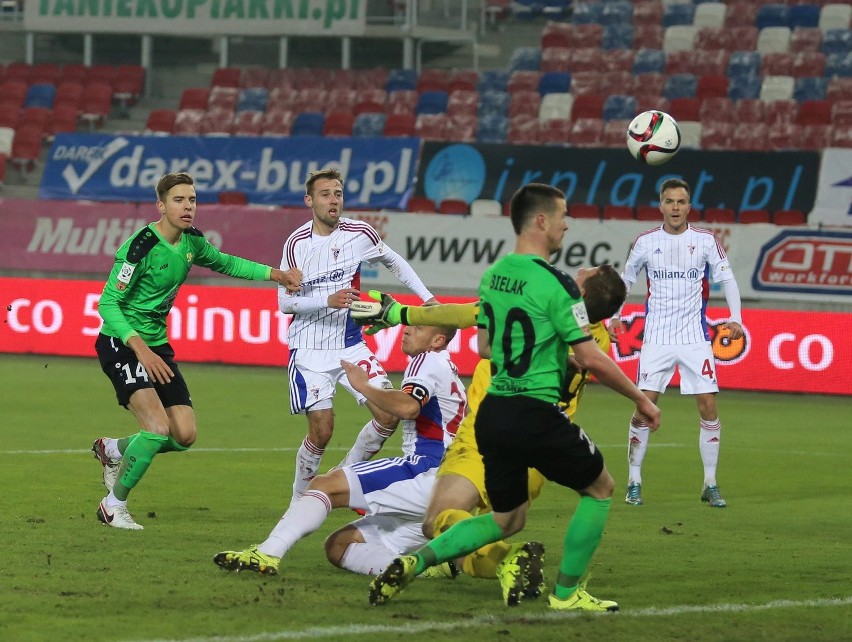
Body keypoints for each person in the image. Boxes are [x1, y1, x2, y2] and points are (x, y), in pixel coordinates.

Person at [368, 183, 661, 612]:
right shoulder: (560, 290)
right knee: (600, 489)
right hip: (535, 415)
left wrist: (401, 314)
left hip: (492, 416)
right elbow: (589, 357)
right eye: (562, 217)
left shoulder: (497, 276)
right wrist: (643, 400)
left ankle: (414, 562)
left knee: (507, 519)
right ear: (541, 220)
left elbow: (485, 347)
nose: (567, 226)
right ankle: (566, 595)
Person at [352, 265, 625, 607]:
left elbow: (467, 313)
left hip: (490, 426)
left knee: (441, 520)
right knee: (497, 520)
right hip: (542, 444)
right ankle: (461, 563)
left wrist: (400, 312)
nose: (578, 269)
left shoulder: (541, 302)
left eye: (585, 272)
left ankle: (497, 559)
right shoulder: (594, 337)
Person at [91, 172, 303, 530]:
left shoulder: (192, 243)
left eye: (192, 200)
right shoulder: (138, 248)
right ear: (161, 205)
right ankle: (113, 506)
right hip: (122, 343)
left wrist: (276, 274)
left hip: (157, 345)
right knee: (157, 429)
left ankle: (112, 449)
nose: (188, 206)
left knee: (184, 435)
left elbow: (227, 263)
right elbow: (108, 303)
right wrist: (140, 348)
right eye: (179, 200)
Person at [212, 320, 465, 577]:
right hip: (453, 486)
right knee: (340, 546)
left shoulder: (428, 360)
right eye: (409, 325)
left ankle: (266, 553)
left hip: (429, 471)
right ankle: (423, 569)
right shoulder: (449, 370)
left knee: (324, 485)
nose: (408, 330)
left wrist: (364, 386)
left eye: (419, 328)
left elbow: (408, 406)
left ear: (438, 341)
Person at [279, 168, 436, 504]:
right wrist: (328, 300)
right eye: (325, 194)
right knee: (321, 432)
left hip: (350, 342)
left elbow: (395, 262)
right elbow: (285, 302)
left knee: (388, 414)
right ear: (310, 200)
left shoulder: (360, 233)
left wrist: (428, 299)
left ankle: (343, 475)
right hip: (309, 348)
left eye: (338, 193)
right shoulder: (297, 243)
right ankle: (298, 500)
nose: (333, 200)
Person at [608, 178, 744, 508]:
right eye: (669, 201)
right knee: (644, 408)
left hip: (694, 338)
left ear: (689, 206)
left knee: (708, 407)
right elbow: (624, 281)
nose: (675, 207)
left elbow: (728, 278)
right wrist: (614, 314)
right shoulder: (644, 242)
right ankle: (634, 481)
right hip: (656, 338)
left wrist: (736, 317)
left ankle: (710, 483)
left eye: (681, 202)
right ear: (660, 205)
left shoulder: (707, 241)